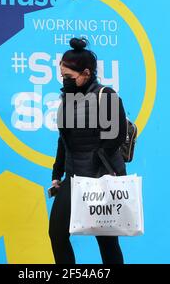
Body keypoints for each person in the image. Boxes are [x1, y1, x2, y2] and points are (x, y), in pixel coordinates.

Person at [49, 37, 128, 264]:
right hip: (74, 177)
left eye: (69, 77)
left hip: (100, 178)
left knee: (106, 240)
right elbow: (64, 139)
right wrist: (57, 174)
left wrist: (96, 174)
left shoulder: (106, 95)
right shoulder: (68, 97)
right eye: (62, 75)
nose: (64, 81)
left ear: (85, 73)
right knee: (56, 233)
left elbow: (115, 137)